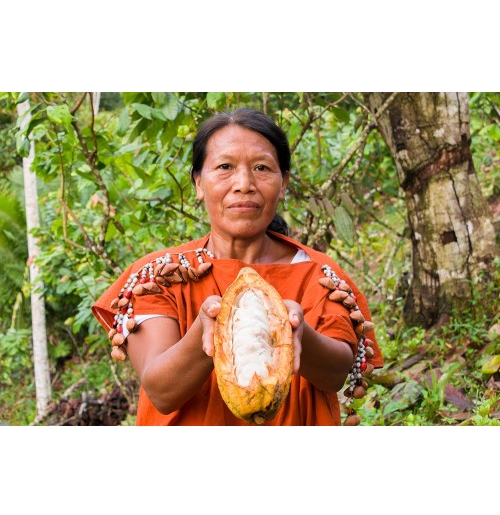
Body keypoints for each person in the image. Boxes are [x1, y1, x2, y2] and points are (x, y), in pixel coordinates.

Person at [91, 108, 383, 425]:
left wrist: (298, 334)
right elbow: (161, 392)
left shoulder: (319, 273)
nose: (244, 183)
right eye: (225, 167)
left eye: (261, 168)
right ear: (199, 183)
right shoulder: (158, 275)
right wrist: (205, 332)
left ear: (283, 183)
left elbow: (336, 375)